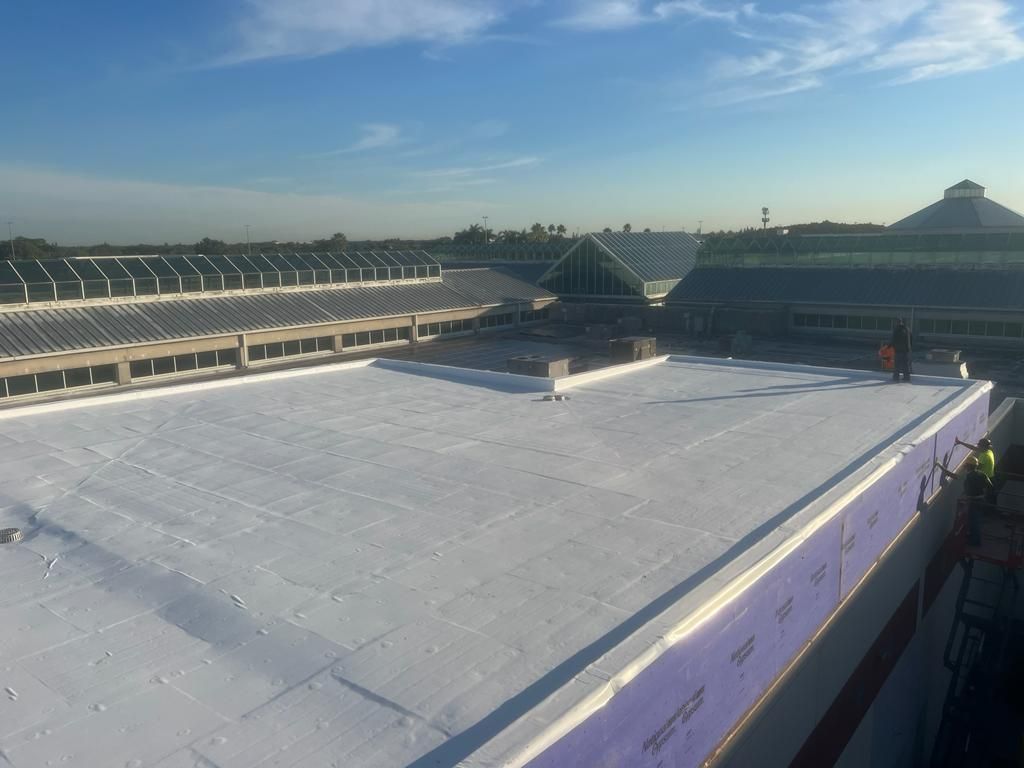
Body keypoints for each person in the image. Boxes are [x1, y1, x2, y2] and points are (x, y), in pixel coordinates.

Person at [937, 455, 993, 545]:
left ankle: (975, 541)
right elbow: (990, 486)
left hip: (973, 501)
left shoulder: (967, 477)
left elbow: (952, 475)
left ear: (968, 466)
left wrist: (939, 465)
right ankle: (973, 538)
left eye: (966, 465)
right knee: (975, 519)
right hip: (981, 500)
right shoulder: (983, 474)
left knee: (973, 521)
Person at [890, 318, 912, 382]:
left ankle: (896, 377)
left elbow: (893, 340)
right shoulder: (907, 329)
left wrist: (893, 347)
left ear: (897, 322)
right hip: (906, 351)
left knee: (897, 364)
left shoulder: (896, 330)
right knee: (905, 365)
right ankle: (907, 377)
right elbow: (911, 339)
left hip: (898, 350)